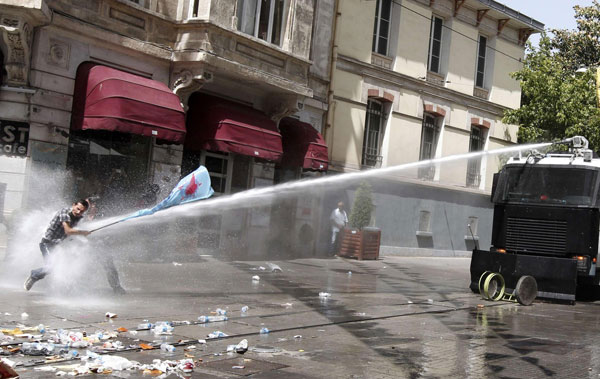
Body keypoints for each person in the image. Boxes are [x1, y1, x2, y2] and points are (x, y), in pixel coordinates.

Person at [23, 199, 126, 294]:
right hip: (48, 244)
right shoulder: (65, 213)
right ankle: (34, 275)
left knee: (102, 262)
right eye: (78, 209)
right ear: (74, 205)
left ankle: (115, 287)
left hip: (63, 245)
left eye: (83, 211)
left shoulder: (83, 216)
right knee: (51, 267)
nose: (79, 212)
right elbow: (68, 230)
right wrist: (83, 232)